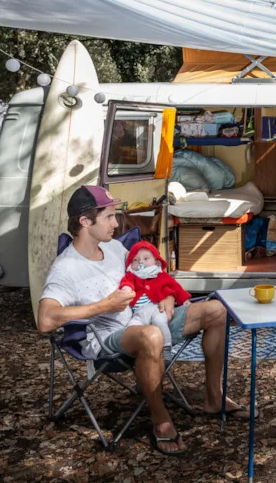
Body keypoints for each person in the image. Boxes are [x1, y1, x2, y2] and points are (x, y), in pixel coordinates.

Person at [37, 185, 254, 456]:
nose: (116, 224)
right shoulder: (67, 267)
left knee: (216, 311)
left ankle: (213, 397)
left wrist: (164, 295)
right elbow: (45, 320)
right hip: (106, 336)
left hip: (144, 315)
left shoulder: (114, 248)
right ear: (84, 221)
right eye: (109, 217)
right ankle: (161, 420)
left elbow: (148, 277)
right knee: (151, 335)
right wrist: (105, 305)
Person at [120, 241, 191, 352]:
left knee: (161, 322)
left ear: (157, 262)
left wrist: (184, 299)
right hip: (138, 312)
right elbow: (126, 282)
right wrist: (126, 288)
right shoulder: (131, 275)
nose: (141, 262)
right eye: (135, 259)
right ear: (130, 264)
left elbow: (175, 286)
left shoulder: (160, 275)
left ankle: (167, 346)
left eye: (146, 258)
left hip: (156, 308)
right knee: (131, 327)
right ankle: (137, 349)